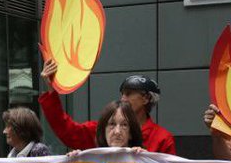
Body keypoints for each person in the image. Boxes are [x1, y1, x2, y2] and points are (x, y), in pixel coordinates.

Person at [38, 58, 176, 154]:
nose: (123, 98)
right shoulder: (102, 129)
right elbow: (68, 131)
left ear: (146, 98)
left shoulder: (162, 139)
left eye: (128, 94)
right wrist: (51, 89)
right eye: (122, 94)